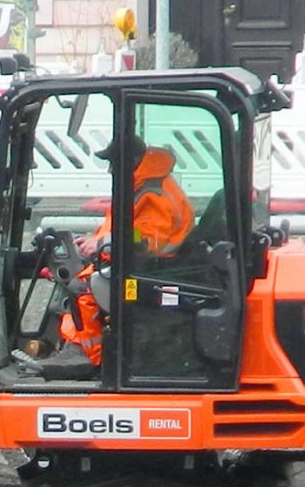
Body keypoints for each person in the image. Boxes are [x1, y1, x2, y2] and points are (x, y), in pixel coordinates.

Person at [47, 138, 196, 371]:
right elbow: (126, 229)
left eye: (114, 164)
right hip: (140, 262)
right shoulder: (142, 186)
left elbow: (147, 240)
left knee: (81, 288)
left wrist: (104, 243)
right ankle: (72, 345)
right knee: (73, 275)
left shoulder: (154, 194)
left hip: (150, 269)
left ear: (130, 161)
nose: (110, 170)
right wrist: (96, 241)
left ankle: (88, 355)